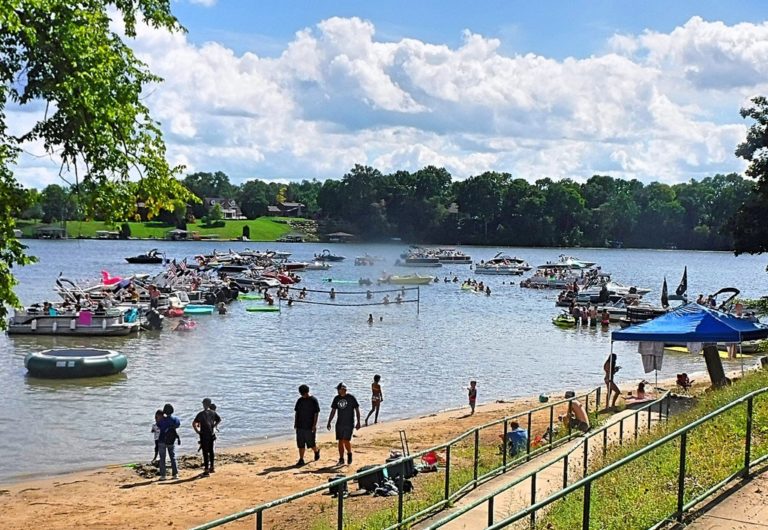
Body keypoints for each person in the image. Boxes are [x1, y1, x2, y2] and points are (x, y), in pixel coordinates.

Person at [326, 383, 361, 466]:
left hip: (349, 423)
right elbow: (333, 411)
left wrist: (358, 422)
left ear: (344, 390)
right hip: (339, 423)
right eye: (338, 390)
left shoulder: (351, 398)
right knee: (340, 441)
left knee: (346, 440)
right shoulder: (336, 398)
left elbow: (357, 409)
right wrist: (329, 421)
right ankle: (341, 458)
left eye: (339, 389)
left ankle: (349, 453)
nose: (338, 391)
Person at [193, 398, 221, 476]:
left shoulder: (201, 414)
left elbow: (194, 423)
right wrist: (214, 426)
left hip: (204, 435)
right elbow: (219, 420)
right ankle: (212, 467)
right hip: (211, 434)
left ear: (204, 404)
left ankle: (206, 470)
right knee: (211, 451)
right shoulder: (213, 412)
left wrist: (197, 431)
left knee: (205, 452)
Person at [294, 385, 321, 467]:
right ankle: (301, 459)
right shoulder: (299, 400)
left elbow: (316, 413)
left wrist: (314, 425)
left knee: (311, 443)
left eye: (304, 393)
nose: (303, 395)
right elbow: (296, 412)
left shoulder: (313, 400)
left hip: (310, 425)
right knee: (300, 443)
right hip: (300, 425)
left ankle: (316, 451)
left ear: (307, 392)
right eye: (301, 394)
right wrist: (295, 423)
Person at [157, 403, 181, 480]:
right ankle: (175, 474)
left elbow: (158, 425)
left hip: (162, 440)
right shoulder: (175, 419)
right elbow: (178, 425)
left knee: (162, 458)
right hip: (171, 440)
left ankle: (163, 475)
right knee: (172, 457)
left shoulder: (161, 420)